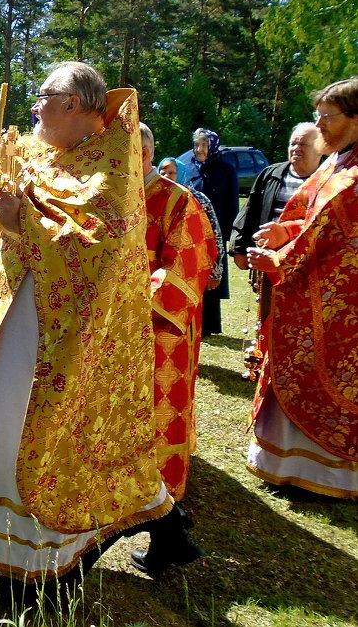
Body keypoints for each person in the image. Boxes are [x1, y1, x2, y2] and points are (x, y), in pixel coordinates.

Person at [0, 62, 202, 599]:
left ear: (74, 104)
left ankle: (28, 564)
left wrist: (21, 223)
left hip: (62, 341)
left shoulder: (111, 168)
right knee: (0, 429)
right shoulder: (45, 150)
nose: (36, 106)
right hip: (17, 319)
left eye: (45, 96)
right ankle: (6, 550)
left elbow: (96, 250)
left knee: (28, 436)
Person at [245, 78, 358, 498]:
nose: (320, 126)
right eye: (319, 116)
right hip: (306, 294)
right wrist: (283, 232)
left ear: (356, 118)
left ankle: (327, 477)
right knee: (290, 369)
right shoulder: (333, 162)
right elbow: (310, 220)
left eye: (328, 117)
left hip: (341, 307)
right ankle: (284, 463)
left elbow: (338, 242)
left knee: (332, 381)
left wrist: (280, 260)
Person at [141, 124, 217, 500]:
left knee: (161, 399)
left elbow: (192, 260)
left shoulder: (177, 198)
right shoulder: (111, 195)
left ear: (146, 153)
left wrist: (140, 297)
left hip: (162, 320)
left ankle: (161, 485)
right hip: (114, 319)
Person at [229, 123, 322, 316]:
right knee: (267, 316)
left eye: (303, 144)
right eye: (293, 143)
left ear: (320, 148)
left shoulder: (326, 181)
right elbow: (249, 211)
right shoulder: (270, 175)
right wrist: (238, 248)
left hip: (307, 264)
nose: (296, 149)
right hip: (267, 262)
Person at [182, 129, 238, 335]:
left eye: (204, 146)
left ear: (212, 146)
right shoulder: (187, 166)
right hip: (192, 229)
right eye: (197, 145)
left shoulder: (226, 169)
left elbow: (232, 202)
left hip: (216, 229)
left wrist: (229, 232)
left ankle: (210, 324)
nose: (199, 150)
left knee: (212, 274)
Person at [158, 158, 225, 294]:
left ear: (181, 174)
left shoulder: (198, 199)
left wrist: (215, 271)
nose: (166, 176)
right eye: (162, 172)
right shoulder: (156, 198)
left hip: (192, 263)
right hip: (161, 266)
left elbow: (214, 235)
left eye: (171, 173)